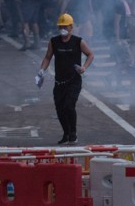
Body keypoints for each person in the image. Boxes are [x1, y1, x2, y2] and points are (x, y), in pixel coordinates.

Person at [37, 13, 94, 144]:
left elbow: (90, 54)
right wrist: (41, 70)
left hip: (74, 81)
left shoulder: (78, 41)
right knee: (60, 108)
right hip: (59, 82)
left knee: (69, 106)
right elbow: (47, 57)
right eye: (60, 26)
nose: (63, 29)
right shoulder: (54, 42)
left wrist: (84, 67)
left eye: (65, 26)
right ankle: (66, 133)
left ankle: (73, 133)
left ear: (71, 27)